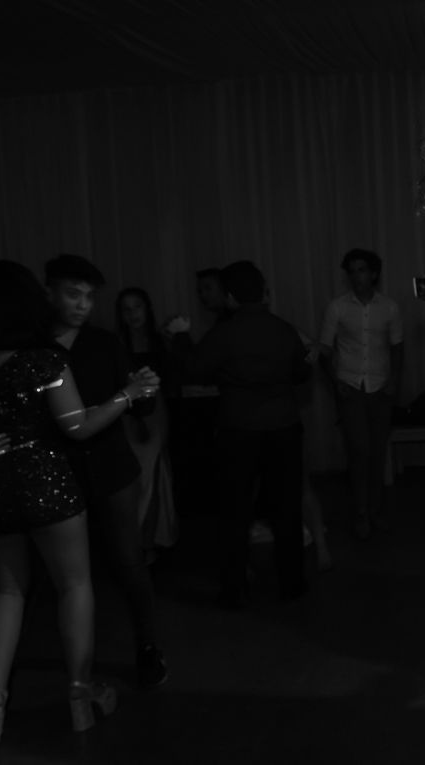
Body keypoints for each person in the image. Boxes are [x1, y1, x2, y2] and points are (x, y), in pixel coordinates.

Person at [0, 261, 159, 744]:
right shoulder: (46, 360)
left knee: (5, 592)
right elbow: (78, 426)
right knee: (74, 585)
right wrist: (127, 395)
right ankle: (80, 695)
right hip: (44, 482)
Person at [44, 256, 169, 691]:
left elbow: (141, 405)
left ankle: (147, 646)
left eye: (89, 297)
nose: (83, 304)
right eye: (73, 294)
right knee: (65, 575)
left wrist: (145, 387)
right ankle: (75, 668)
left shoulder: (103, 343)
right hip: (59, 470)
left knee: (129, 562)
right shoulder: (33, 348)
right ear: (49, 293)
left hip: (111, 467)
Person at [168, 260, 313, 607]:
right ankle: (292, 584)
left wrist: (180, 335)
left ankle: (234, 589)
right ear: (263, 292)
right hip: (283, 429)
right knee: (286, 508)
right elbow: (300, 374)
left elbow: (191, 369)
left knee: (234, 511)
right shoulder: (284, 329)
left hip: (239, 431)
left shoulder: (225, 333)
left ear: (230, 297)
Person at [319, 248, 404, 539]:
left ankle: (375, 510)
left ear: (374, 273)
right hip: (350, 385)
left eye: (362, 270)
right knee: (359, 450)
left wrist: (395, 380)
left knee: (378, 452)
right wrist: (334, 380)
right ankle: (360, 512)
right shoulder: (337, 307)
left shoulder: (389, 307)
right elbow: (324, 348)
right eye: (352, 271)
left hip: (380, 387)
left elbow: (397, 346)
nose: (357, 276)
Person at [116, 287, 180, 553]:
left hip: (157, 412)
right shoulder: (117, 345)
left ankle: (150, 542)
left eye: (137, 307)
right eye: (126, 309)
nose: (132, 314)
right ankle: (138, 544)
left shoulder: (160, 342)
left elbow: (173, 380)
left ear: (147, 309)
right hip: (128, 413)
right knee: (137, 477)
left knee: (155, 474)